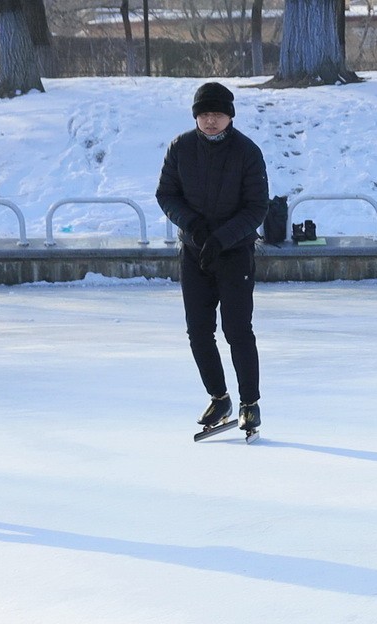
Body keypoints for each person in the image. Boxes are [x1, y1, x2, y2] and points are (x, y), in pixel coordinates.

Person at [157, 82, 270, 437]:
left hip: (234, 253)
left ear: (229, 116)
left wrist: (222, 238)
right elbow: (167, 194)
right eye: (204, 114)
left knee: (237, 331)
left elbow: (256, 207)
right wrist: (193, 227)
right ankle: (219, 397)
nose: (210, 121)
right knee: (199, 332)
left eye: (217, 114)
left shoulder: (247, 152)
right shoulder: (181, 148)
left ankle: (249, 403)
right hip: (194, 251)